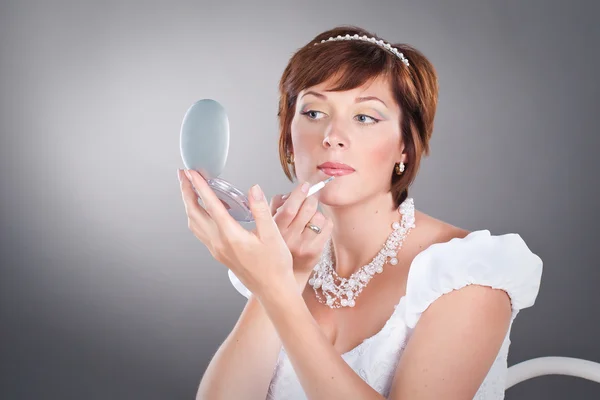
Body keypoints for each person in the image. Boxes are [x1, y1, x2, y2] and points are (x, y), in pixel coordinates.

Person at [178, 25, 543, 400]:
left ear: (405, 146)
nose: (333, 135)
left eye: (365, 117)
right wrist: (285, 275)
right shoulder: (290, 258)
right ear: (288, 137)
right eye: (315, 111)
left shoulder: (468, 275)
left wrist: (276, 289)